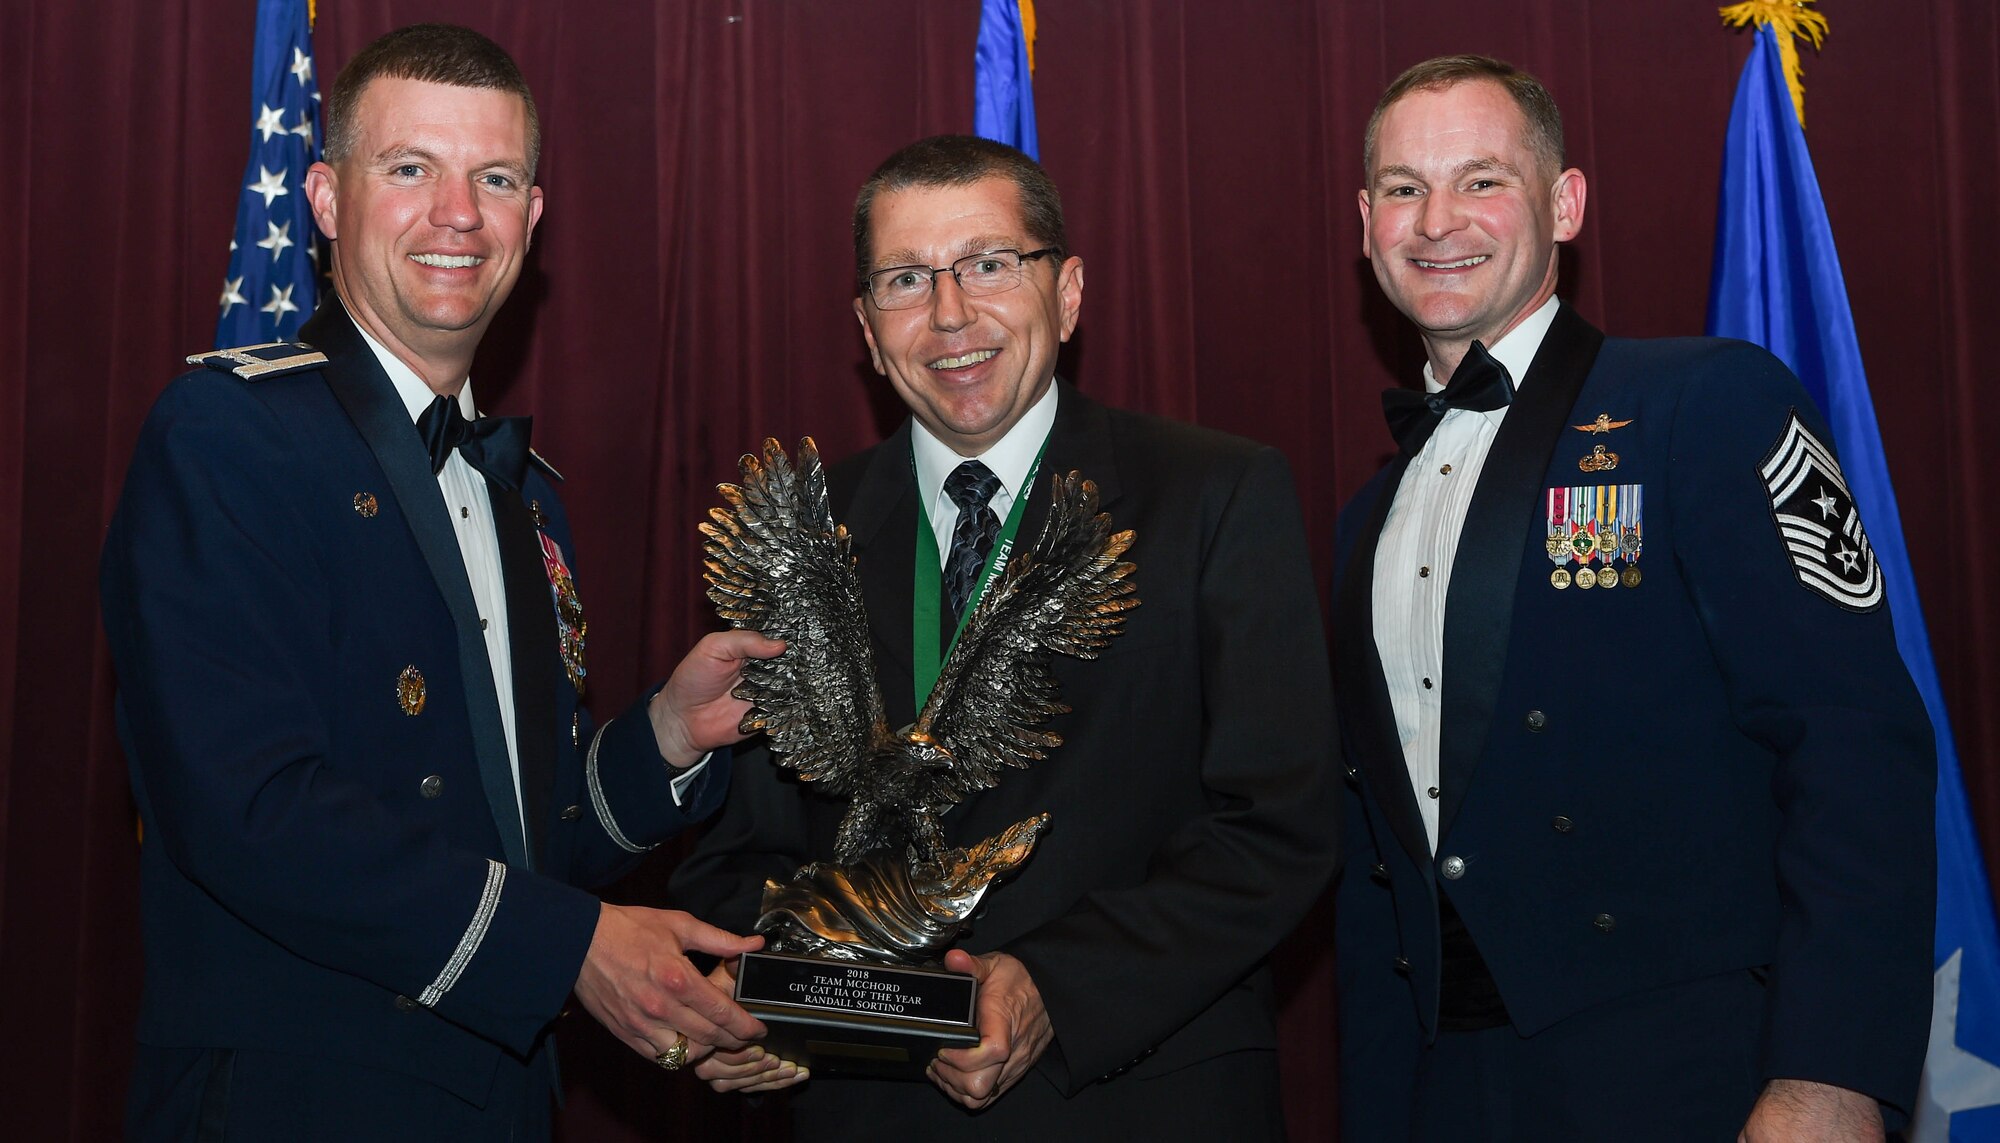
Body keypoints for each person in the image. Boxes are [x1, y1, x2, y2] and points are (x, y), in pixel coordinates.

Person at [101, 24, 780, 1141]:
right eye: (409, 168)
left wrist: (665, 733)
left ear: (534, 217)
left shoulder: (525, 494)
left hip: (495, 1099)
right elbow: (247, 811)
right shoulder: (226, 436)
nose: (457, 214)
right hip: (294, 1101)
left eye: (495, 177)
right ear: (324, 199)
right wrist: (569, 948)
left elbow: (522, 836)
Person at [669, 134, 1339, 1139]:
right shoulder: (806, 526)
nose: (949, 315)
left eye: (988, 264)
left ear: (1066, 292)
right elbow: (737, 852)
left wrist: (1055, 989)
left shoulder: (1214, 495)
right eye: (905, 279)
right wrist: (760, 991)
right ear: (863, 323)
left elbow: (1278, 826)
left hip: (1136, 1098)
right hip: (870, 1112)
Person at [1332, 54, 1935, 1141]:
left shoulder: (1704, 401)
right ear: (1364, 218)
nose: (1436, 221)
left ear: (1563, 204)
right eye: (1401, 187)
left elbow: (1851, 746)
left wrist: (1830, 1072)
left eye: (1480, 180)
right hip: (1435, 1085)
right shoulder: (1359, 520)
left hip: (1689, 1071)